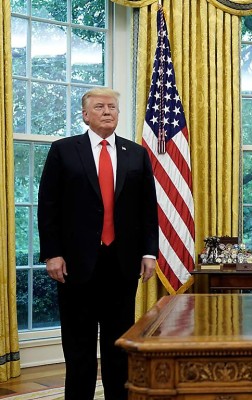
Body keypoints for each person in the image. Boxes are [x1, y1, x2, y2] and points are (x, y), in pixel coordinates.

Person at [38, 88, 159, 400]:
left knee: (118, 345)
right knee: (79, 348)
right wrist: (52, 253)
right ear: (85, 114)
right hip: (75, 266)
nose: (108, 112)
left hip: (121, 263)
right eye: (100, 107)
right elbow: (48, 206)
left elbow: (147, 208)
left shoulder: (137, 154)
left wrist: (149, 252)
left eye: (113, 107)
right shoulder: (63, 151)